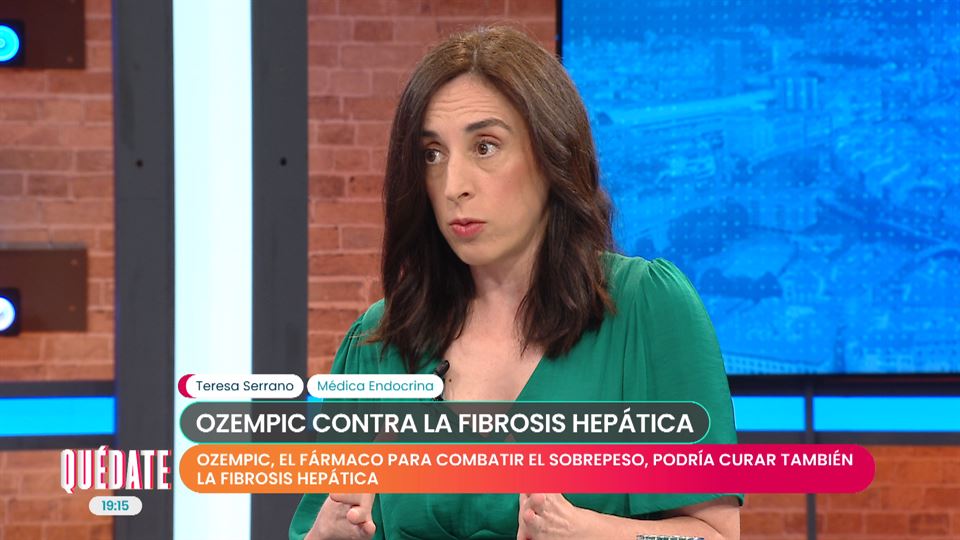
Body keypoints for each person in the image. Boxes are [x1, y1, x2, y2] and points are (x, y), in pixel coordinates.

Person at [290, 25, 741, 540]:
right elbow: (323, 523)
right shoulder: (379, 343)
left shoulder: (646, 310)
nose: (454, 185)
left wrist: (584, 532)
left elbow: (715, 534)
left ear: (553, 157)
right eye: (432, 154)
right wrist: (325, 536)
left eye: (485, 147)